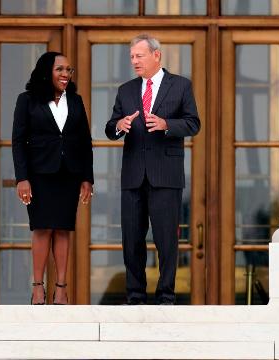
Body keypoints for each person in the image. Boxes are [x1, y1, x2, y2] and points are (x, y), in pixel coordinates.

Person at [105, 34, 200, 305]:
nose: (134, 61)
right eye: (132, 57)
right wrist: (118, 125)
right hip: (133, 176)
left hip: (166, 175)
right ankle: (135, 296)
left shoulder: (180, 86)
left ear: (156, 55)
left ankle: (166, 296)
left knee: (166, 240)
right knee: (132, 240)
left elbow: (193, 123)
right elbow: (110, 127)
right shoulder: (125, 90)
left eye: (139, 56)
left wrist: (166, 124)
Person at [12, 52, 93, 305]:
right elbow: (18, 141)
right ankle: (38, 287)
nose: (65, 75)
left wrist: (87, 178)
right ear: (47, 71)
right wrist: (22, 178)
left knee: (63, 229)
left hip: (69, 174)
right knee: (42, 228)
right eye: (60, 69)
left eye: (69, 70)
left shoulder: (76, 101)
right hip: (39, 175)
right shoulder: (27, 101)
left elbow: (84, 142)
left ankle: (60, 288)